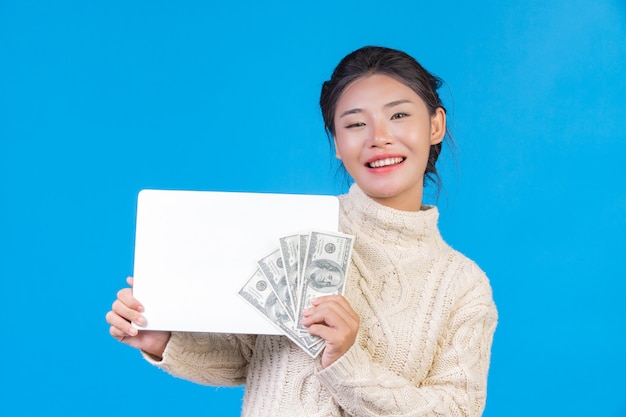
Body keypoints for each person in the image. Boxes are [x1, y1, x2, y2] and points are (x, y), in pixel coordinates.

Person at [106, 45, 498, 417]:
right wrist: (164, 340)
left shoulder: (462, 286)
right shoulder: (294, 228)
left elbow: (456, 410)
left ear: (436, 125)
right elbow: (246, 359)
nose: (378, 137)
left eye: (398, 116)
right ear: (338, 144)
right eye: (355, 123)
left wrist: (348, 361)